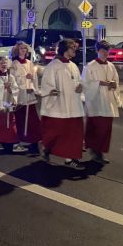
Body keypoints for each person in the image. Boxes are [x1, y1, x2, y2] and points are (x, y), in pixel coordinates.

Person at [39, 39, 86, 170]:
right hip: (59, 106)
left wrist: (81, 87)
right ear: (65, 49)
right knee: (57, 133)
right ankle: (46, 148)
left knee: (74, 133)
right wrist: (51, 90)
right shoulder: (53, 66)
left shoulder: (73, 65)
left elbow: (78, 81)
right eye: (72, 47)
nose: (75, 49)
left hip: (74, 106)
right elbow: (46, 84)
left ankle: (70, 159)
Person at [81, 40, 121, 164]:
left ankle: (100, 151)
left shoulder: (111, 66)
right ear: (97, 51)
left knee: (106, 129)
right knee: (98, 129)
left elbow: (116, 81)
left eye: (107, 50)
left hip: (108, 102)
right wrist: (99, 83)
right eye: (103, 50)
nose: (105, 53)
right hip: (96, 103)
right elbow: (85, 84)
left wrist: (114, 84)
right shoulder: (90, 66)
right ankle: (95, 151)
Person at [0, 56, 24, 152]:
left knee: (10, 123)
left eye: (5, 63)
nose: (4, 65)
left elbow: (16, 89)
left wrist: (11, 91)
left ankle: (14, 143)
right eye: (1, 63)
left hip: (7, 104)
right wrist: (3, 86)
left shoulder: (10, 77)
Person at [11, 43, 41, 154]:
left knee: (33, 120)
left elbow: (34, 78)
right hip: (20, 96)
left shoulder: (29, 63)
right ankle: (19, 140)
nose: (23, 50)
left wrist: (33, 87)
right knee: (21, 119)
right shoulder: (14, 64)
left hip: (29, 95)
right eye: (21, 48)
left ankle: (34, 142)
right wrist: (24, 78)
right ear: (17, 50)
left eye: (25, 48)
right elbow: (12, 79)